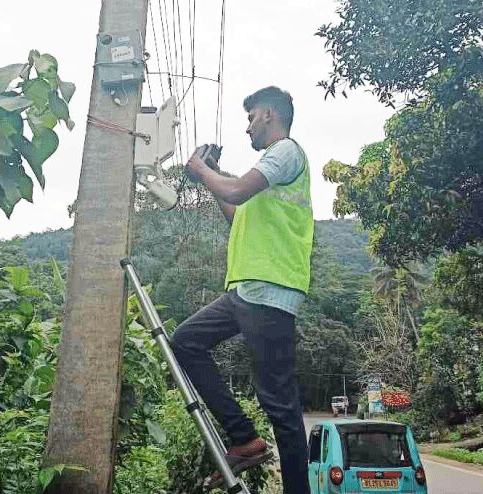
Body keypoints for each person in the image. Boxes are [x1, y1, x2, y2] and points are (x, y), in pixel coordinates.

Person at [171, 86, 313, 493]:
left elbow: (233, 189)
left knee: (280, 404)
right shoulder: (268, 177)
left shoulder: (285, 152)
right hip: (246, 290)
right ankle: (245, 439)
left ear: (269, 114)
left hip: (272, 290)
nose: (247, 127)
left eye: (251, 118)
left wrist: (203, 172)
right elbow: (235, 209)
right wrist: (213, 177)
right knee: (186, 342)